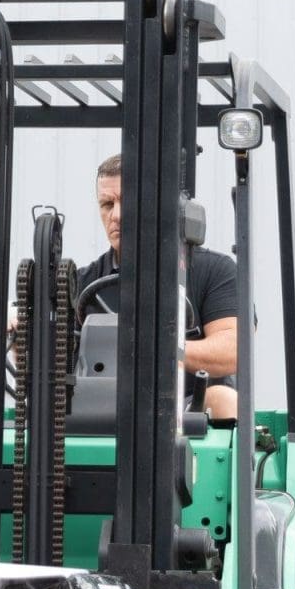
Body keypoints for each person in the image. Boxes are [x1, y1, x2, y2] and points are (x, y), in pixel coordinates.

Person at [78, 153, 240, 421]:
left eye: (127, 202)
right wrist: (23, 336)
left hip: (188, 411)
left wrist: (160, 349)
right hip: (102, 410)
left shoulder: (214, 271)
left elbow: (233, 349)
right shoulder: (85, 283)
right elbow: (52, 361)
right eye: (107, 204)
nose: (116, 215)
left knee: (223, 399)